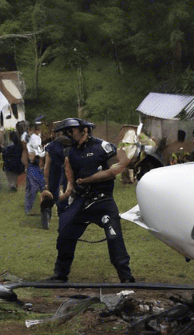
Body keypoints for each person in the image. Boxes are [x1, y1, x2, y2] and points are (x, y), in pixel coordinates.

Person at [47, 118, 135, 284]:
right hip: (82, 202)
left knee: (114, 237)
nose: (66, 135)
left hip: (103, 202)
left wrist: (89, 180)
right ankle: (60, 275)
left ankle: (126, 277)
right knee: (65, 236)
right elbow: (70, 178)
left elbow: (113, 170)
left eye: (70, 131)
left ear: (84, 130)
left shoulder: (103, 147)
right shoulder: (70, 152)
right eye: (64, 132)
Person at [40, 120, 73, 229]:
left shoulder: (52, 146)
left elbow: (47, 166)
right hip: (68, 174)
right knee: (64, 198)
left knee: (51, 195)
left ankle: (46, 212)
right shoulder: (73, 145)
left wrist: (46, 182)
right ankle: (63, 219)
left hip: (54, 173)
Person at [23, 117, 45, 216]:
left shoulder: (37, 138)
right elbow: (36, 154)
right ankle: (29, 209)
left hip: (36, 165)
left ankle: (38, 209)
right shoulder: (34, 138)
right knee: (33, 188)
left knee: (37, 187)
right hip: (33, 164)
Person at [3, 126, 24, 191]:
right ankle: (15, 184)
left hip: (11, 166)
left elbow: (5, 157)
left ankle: (12, 184)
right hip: (20, 166)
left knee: (8, 166)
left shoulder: (9, 148)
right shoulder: (21, 147)